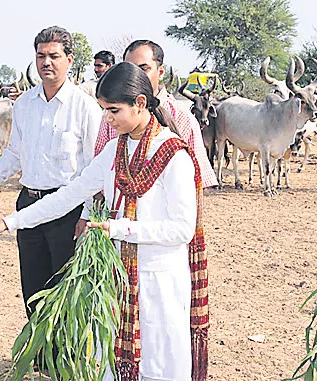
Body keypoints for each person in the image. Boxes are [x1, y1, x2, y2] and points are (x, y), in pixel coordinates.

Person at [0, 61, 209, 381]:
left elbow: (180, 229)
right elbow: (70, 194)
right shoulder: (116, 151)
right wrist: (11, 222)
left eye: (113, 111)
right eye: (103, 110)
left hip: (160, 279)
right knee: (109, 368)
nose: (107, 119)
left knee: (163, 370)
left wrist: (117, 227)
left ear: (141, 104)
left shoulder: (175, 155)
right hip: (116, 281)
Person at [0, 26, 102, 325]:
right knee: (33, 286)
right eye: (41, 56)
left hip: (67, 211)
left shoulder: (85, 108)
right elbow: (15, 153)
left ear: (69, 59)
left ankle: (65, 358)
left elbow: (94, 170)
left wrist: (87, 214)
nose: (46, 63)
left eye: (54, 56)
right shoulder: (25, 104)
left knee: (65, 287)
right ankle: (39, 356)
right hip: (28, 204)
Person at [75, 39, 217, 239]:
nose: (136, 76)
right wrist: (87, 214)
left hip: (162, 238)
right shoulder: (111, 118)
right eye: (130, 69)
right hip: (113, 230)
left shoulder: (183, 119)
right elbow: (97, 176)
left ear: (160, 72)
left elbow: (196, 186)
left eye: (144, 69)